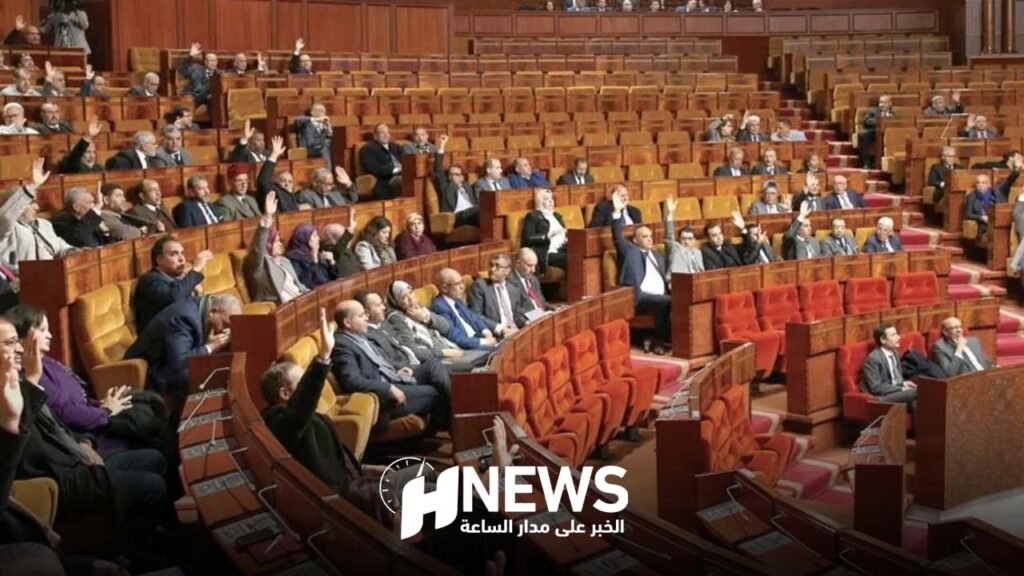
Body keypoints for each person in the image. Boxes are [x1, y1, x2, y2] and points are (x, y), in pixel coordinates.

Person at [14, 322, 173, 558]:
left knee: (155, 458)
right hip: (60, 477)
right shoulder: (16, 391)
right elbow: (21, 440)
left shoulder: (21, 380)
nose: (18, 348)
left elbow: (60, 426)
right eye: (9, 343)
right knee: (153, 484)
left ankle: (145, 535)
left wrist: (84, 444)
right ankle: (144, 554)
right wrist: (32, 381)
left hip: (76, 456)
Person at [260, 308, 390, 524]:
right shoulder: (280, 422)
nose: (315, 387)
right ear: (285, 393)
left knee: (429, 476)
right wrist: (322, 358)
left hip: (361, 479)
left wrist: (365, 469)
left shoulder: (302, 417)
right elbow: (301, 407)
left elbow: (335, 460)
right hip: (350, 500)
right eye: (302, 381)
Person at [7, 305, 169, 453]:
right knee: (147, 418)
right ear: (22, 338)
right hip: (90, 428)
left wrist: (104, 403)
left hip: (95, 409)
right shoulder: (31, 374)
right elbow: (67, 413)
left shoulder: (45, 361)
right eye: (42, 330)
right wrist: (106, 410)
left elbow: (79, 395)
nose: (49, 336)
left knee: (147, 399)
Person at [331, 300, 445, 431]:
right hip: (382, 397)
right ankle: (451, 427)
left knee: (433, 365)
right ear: (347, 322)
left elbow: (379, 360)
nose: (367, 318)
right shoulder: (341, 345)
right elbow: (352, 381)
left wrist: (396, 370)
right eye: (361, 315)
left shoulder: (358, 336)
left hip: (393, 377)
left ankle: (457, 422)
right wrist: (388, 388)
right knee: (434, 392)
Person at [125, 294, 238, 399]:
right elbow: (179, 361)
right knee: (201, 374)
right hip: (152, 371)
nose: (226, 330)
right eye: (225, 324)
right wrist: (211, 347)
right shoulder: (185, 318)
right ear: (212, 312)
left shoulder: (204, 308)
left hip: (171, 361)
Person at [611, 193, 671, 353]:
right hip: (640, 297)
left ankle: (652, 339)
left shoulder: (658, 255)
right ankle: (658, 342)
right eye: (645, 237)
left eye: (650, 236)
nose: (650, 239)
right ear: (635, 240)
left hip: (660, 296)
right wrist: (616, 212)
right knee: (668, 302)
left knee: (674, 301)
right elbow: (618, 238)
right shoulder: (631, 252)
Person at [385, 280, 488, 370]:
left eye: (410, 293)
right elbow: (412, 351)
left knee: (489, 357)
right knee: (483, 362)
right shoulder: (397, 318)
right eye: (404, 297)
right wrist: (444, 352)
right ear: (396, 302)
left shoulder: (419, 308)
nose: (410, 299)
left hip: (451, 349)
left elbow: (446, 327)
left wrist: (426, 318)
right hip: (438, 360)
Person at [0, 160, 78, 270]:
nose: (37, 207)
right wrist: (32, 185)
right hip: (24, 277)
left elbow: (60, 246)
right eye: (31, 203)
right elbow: (6, 217)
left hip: (52, 272)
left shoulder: (44, 224)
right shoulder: (7, 228)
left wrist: (77, 252)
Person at [243, 192, 310, 304]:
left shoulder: (284, 261)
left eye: (279, 241)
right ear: (267, 244)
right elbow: (258, 247)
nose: (280, 244)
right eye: (275, 241)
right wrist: (267, 217)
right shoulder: (258, 264)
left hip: (299, 300)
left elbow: (298, 285)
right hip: (280, 305)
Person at [133, 237, 212, 332]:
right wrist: (196, 269)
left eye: (182, 253)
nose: (182, 259)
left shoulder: (178, 279)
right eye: (174, 254)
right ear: (159, 259)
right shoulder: (149, 280)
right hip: (162, 337)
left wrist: (198, 294)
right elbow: (174, 298)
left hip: (183, 330)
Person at [431, 268, 502, 351]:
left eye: (462, 282)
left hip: (477, 337)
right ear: (444, 288)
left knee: (508, 343)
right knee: (502, 351)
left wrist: (485, 330)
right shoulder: (439, 307)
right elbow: (455, 336)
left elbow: (473, 317)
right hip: (467, 347)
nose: (462, 287)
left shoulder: (456, 300)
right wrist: (483, 342)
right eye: (457, 284)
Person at [862, 324, 918, 411]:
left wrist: (903, 383)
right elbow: (876, 387)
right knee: (916, 392)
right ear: (883, 340)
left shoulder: (895, 353)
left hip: (895, 391)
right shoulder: (873, 358)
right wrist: (901, 389)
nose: (898, 337)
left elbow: (894, 379)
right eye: (893, 335)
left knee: (916, 402)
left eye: (897, 334)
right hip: (882, 396)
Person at [469, 254, 530, 332]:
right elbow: (475, 315)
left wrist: (525, 322)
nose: (492, 269)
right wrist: (501, 329)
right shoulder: (480, 286)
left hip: (515, 330)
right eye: (491, 265)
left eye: (497, 266)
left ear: (507, 271)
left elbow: (517, 315)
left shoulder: (513, 288)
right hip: (497, 332)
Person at [433, 134, 479, 227]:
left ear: (462, 177)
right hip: (457, 216)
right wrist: (442, 145)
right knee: (483, 209)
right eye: (451, 174)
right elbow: (438, 168)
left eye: (456, 174)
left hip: (473, 214)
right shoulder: (445, 186)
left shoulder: (467, 186)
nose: (453, 176)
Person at [964, 163, 1021, 237]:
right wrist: (981, 217)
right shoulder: (971, 196)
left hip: (1001, 221)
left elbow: (1009, 181)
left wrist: (1016, 170)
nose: (980, 185)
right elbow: (968, 214)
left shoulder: (997, 192)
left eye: (983, 183)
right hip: (985, 226)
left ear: (989, 185)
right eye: (978, 183)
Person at [521, 188, 567, 277]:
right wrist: (548, 235)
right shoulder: (532, 216)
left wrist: (566, 239)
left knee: (580, 255)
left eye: (551, 198)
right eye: (546, 199)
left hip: (562, 249)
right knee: (572, 259)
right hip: (546, 253)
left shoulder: (557, 216)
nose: (551, 201)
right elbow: (528, 238)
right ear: (540, 202)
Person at [256, 136, 306, 213]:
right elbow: (263, 182)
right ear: (276, 181)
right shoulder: (275, 191)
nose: (287, 184)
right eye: (283, 181)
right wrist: (274, 155)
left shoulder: (292, 195)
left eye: (290, 182)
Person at [359, 124, 404, 199]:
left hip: (403, 174)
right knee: (406, 181)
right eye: (382, 133)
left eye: (387, 132)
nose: (386, 135)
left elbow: (406, 160)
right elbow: (372, 167)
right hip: (386, 180)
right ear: (375, 136)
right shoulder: (368, 149)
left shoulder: (396, 147)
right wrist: (394, 169)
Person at [285, 224, 336, 288]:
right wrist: (314, 260)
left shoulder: (316, 253)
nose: (318, 238)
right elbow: (309, 283)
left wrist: (332, 262)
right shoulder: (294, 259)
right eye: (314, 236)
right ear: (304, 238)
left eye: (317, 235)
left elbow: (334, 277)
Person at [664, 198, 704, 274]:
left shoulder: (697, 252)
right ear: (679, 239)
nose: (686, 241)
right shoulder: (675, 249)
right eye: (684, 238)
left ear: (694, 240)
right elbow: (669, 236)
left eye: (690, 239)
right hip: (680, 279)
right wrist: (670, 214)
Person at [511, 248, 554, 312]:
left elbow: (541, 302)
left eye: (534, 266)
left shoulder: (534, 279)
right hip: (528, 316)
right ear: (518, 263)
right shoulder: (510, 282)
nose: (533, 270)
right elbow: (516, 310)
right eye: (529, 266)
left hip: (541, 314)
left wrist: (554, 309)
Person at [858, 94, 895, 169]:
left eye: (884, 103)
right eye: (881, 102)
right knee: (863, 134)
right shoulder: (873, 111)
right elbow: (866, 121)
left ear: (890, 104)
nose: (882, 105)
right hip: (873, 132)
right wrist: (880, 121)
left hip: (887, 134)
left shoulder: (893, 114)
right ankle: (867, 162)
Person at [177, 42, 219, 106]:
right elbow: (181, 69)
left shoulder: (220, 73)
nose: (213, 63)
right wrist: (191, 56)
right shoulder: (196, 69)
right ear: (205, 62)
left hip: (209, 98)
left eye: (214, 60)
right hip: (195, 96)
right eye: (210, 60)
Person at [295, 104, 333, 169]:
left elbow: (329, 135)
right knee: (325, 145)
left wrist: (328, 126)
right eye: (318, 110)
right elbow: (297, 120)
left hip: (322, 147)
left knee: (327, 144)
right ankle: (328, 171)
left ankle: (329, 170)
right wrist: (316, 119)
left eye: (322, 111)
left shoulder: (324, 123)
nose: (320, 113)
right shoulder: (306, 122)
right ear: (312, 112)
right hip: (309, 147)